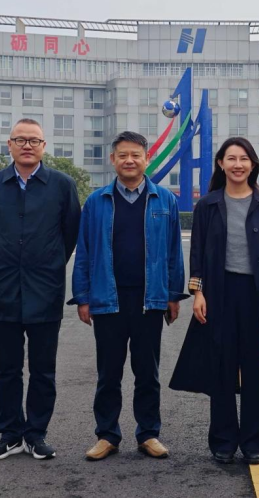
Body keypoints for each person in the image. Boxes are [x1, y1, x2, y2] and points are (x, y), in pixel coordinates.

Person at [170, 137, 259, 465]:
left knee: (258, 368)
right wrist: (198, 292)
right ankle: (223, 441)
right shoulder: (208, 205)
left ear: (253, 164)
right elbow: (198, 251)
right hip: (219, 292)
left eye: (244, 159)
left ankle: (256, 442)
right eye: (231, 158)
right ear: (221, 164)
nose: (238, 164)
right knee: (222, 366)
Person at [70, 132, 186, 461]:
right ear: (113, 160)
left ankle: (148, 434)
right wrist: (83, 296)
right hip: (108, 299)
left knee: (147, 372)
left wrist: (173, 295)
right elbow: (84, 251)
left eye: (136, 155)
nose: (129, 160)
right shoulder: (96, 202)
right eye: (123, 155)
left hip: (150, 299)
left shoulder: (165, 200)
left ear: (147, 159)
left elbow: (174, 252)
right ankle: (107, 435)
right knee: (108, 373)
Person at [0, 118, 81, 461]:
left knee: (43, 370)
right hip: (4, 289)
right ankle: (10, 434)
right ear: (9, 145)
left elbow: (70, 234)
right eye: (20, 139)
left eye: (34, 140)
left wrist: (48, 263)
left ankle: (36, 434)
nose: (27, 145)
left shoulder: (62, 185)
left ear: (43, 146)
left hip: (45, 289)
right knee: (7, 370)